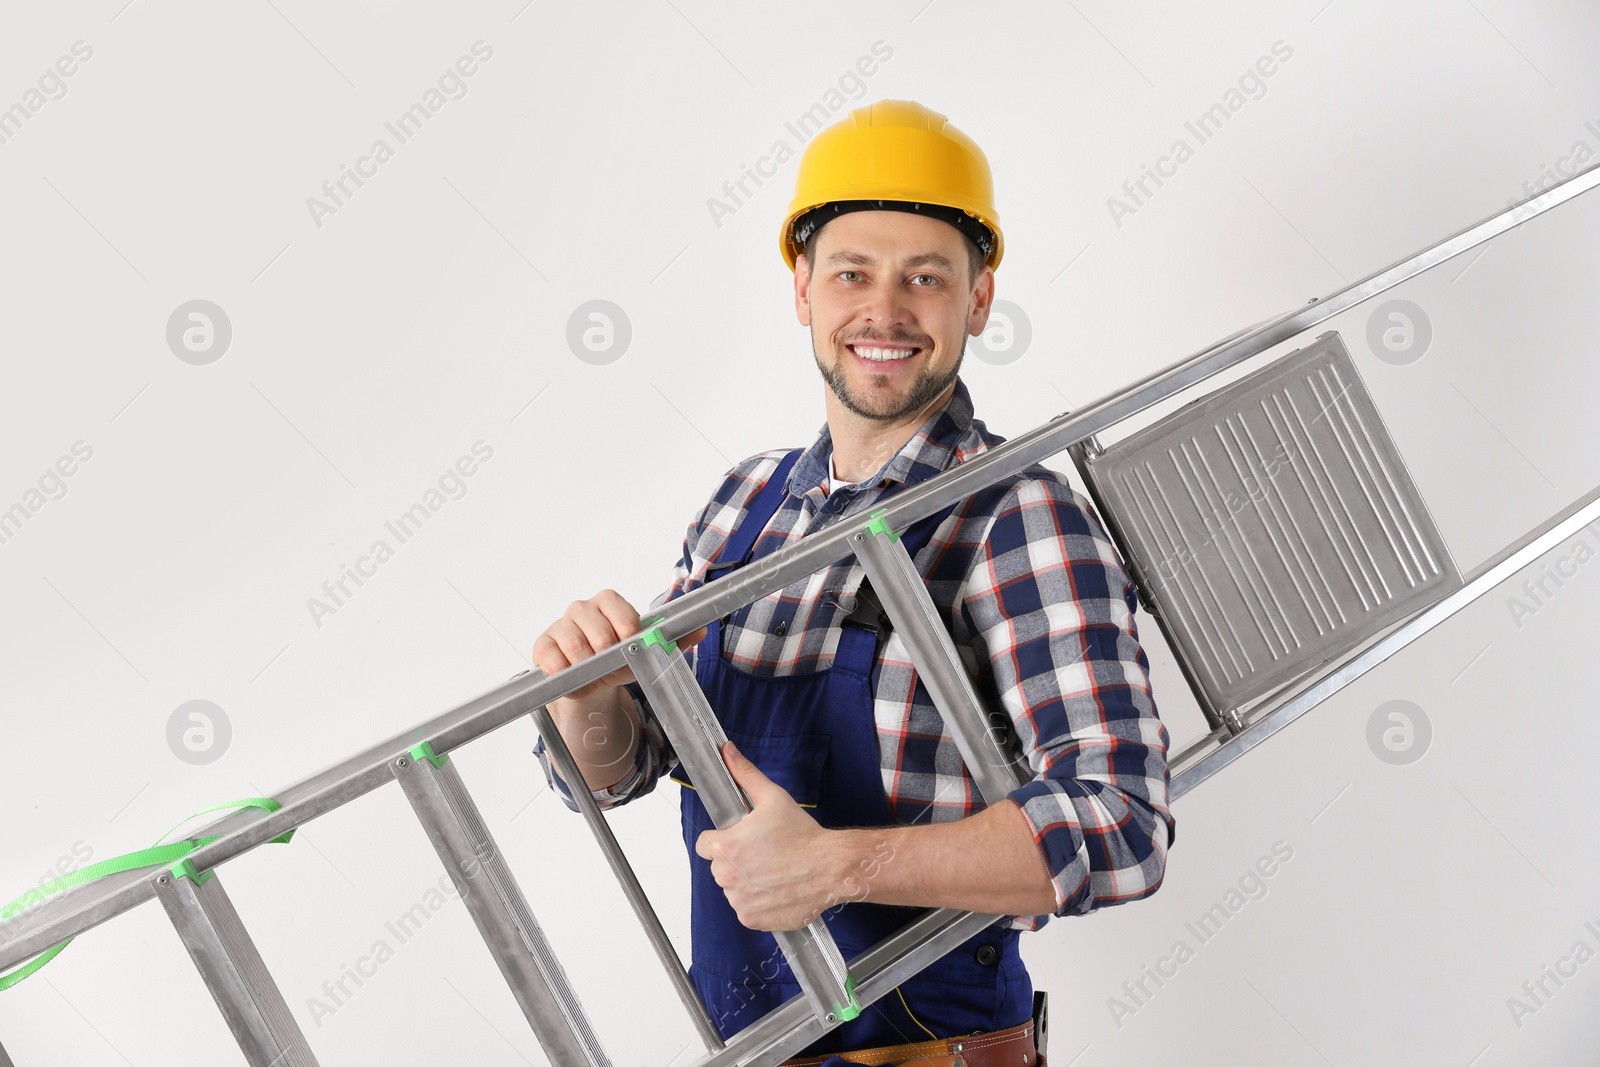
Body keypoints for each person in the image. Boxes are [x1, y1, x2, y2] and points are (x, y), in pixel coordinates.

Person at [532, 99, 1174, 1067]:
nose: (884, 310)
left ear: (980, 298)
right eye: (852, 273)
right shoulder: (743, 503)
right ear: (802, 288)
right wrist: (589, 700)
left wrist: (841, 864)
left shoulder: (1015, 517)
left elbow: (1123, 822)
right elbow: (623, 764)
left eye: (925, 277)